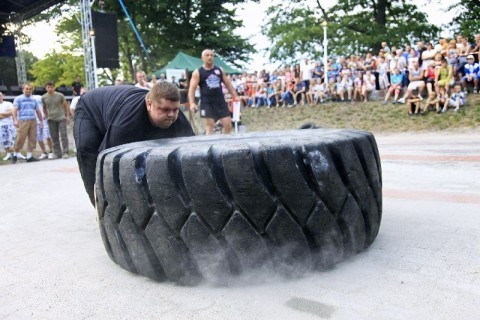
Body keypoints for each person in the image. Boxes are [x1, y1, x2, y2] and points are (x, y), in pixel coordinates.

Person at [74, 82, 195, 205]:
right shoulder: (125, 124)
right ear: (149, 104)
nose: (171, 115)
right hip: (90, 109)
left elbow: (192, 154)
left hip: (117, 108)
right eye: (165, 110)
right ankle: (100, 206)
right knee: (87, 150)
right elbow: (107, 163)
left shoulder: (177, 119)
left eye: (175, 110)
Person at [188, 49, 238, 135]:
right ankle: (210, 146)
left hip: (220, 102)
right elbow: (192, 89)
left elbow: (228, 84)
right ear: (202, 58)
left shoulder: (220, 70)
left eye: (211, 55)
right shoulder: (198, 72)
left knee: (228, 125)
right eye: (207, 55)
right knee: (210, 126)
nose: (210, 57)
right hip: (207, 103)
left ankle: (224, 145)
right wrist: (192, 103)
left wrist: (235, 96)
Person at [12, 83, 43, 163]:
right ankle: (15, 154)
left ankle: (29, 156)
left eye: (30, 89)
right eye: (27, 89)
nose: (28, 90)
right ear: (23, 89)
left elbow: (38, 111)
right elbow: (14, 110)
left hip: (33, 120)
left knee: (32, 138)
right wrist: (15, 120)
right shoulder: (18, 98)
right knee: (20, 137)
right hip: (23, 120)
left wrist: (41, 120)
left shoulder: (33, 99)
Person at [42, 81, 70, 159]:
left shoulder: (60, 95)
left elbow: (65, 106)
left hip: (61, 117)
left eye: (51, 87)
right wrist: (46, 116)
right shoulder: (44, 97)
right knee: (54, 137)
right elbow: (44, 107)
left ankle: (65, 152)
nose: (50, 89)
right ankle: (57, 153)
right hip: (51, 119)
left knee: (63, 135)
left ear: (54, 87)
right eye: (48, 87)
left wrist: (67, 116)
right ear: (46, 88)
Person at [33, 94, 53, 160]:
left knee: (48, 136)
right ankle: (44, 152)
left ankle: (51, 151)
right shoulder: (26, 99)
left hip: (44, 119)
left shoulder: (38, 97)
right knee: (39, 138)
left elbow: (45, 106)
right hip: (35, 120)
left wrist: (46, 115)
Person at [0, 92, 16, 161]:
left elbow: (13, 112)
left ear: (2, 96)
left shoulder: (8, 103)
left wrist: (2, 114)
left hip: (10, 124)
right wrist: (8, 113)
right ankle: (8, 154)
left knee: (12, 140)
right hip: (1, 125)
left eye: (0, 96)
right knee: (4, 141)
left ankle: (15, 153)